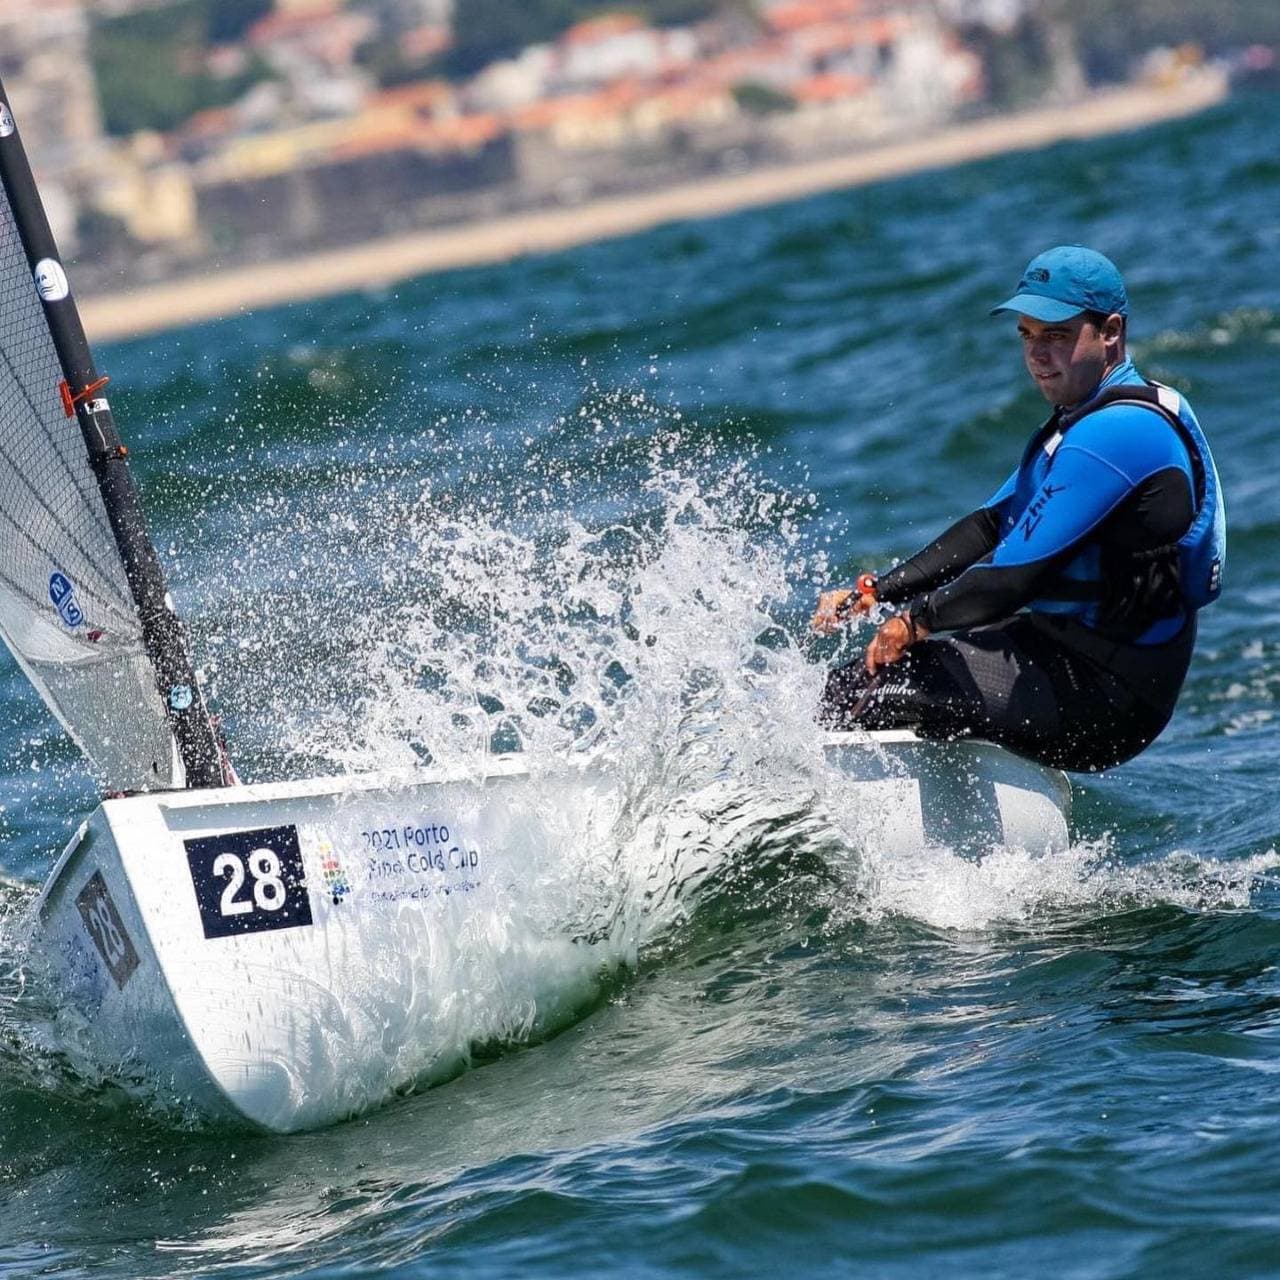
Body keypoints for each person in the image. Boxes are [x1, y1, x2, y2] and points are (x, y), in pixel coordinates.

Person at [812, 245, 1225, 772]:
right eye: (1027, 335)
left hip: (1108, 695)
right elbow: (989, 526)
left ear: (1111, 331)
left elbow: (1013, 579)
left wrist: (915, 621)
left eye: (1056, 334)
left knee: (878, 689)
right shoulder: (1080, 421)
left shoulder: (1121, 432)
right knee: (857, 681)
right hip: (1059, 647)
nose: (1037, 353)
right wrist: (878, 592)